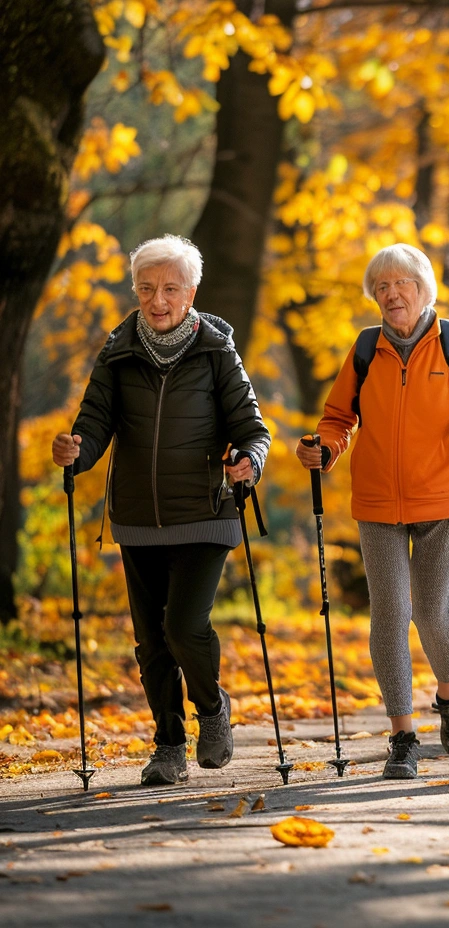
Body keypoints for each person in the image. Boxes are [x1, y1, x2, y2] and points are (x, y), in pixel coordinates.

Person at [51, 235, 270, 786]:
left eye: (170, 289)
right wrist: (74, 454)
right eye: (147, 288)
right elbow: (94, 421)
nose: (158, 300)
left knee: (184, 626)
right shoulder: (117, 350)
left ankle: (213, 708)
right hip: (138, 516)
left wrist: (249, 460)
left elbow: (251, 427)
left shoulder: (217, 350)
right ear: (136, 290)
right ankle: (169, 746)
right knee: (150, 642)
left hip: (205, 509)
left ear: (191, 292)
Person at [296, 243, 449, 779]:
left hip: (444, 495)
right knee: (389, 611)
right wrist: (323, 446)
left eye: (400, 284)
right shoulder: (366, 349)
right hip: (377, 501)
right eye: (381, 287)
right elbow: (338, 416)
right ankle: (403, 735)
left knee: (430, 608)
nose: (391, 295)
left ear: (422, 288)